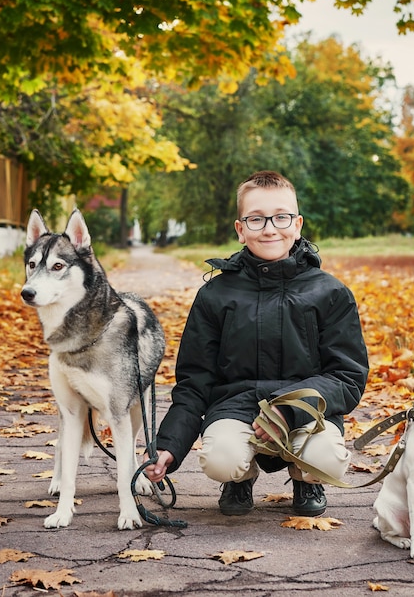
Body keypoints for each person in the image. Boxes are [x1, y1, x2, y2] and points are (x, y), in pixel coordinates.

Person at [144, 170, 369, 517]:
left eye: (281, 217)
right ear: (240, 229)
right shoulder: (215, 295)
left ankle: (306, 477)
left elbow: (347, 376)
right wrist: (168, 446)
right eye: (256, 219)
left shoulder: (330, 292)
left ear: (297, 224)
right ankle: (239, 478)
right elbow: (194, 381)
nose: (269, 228)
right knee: (221, 459)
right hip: (236, 408)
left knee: (326, 457)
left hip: (306, 410)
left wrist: (288, 409)